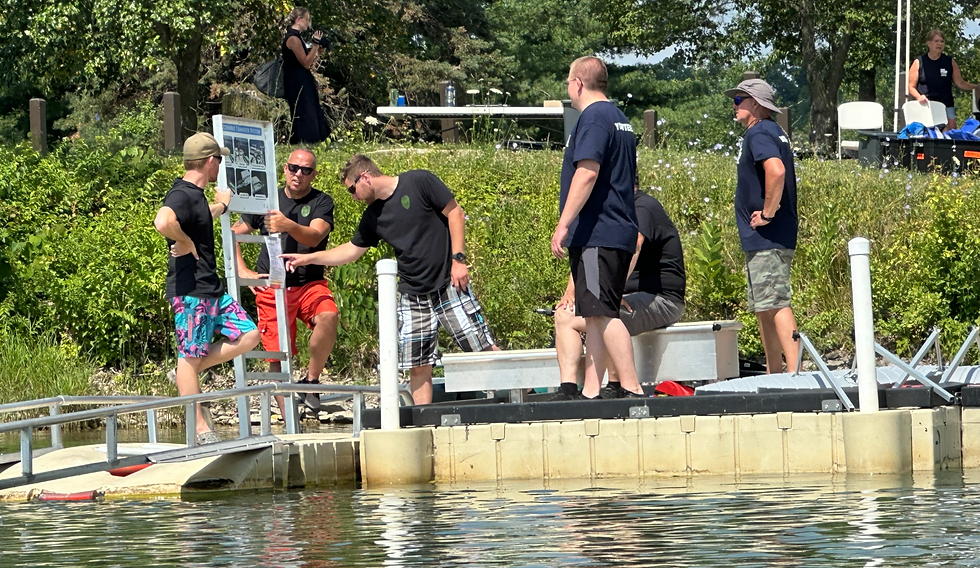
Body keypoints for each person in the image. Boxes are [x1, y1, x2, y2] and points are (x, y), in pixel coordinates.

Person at [280, 154, 498, 404]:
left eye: (352, 189)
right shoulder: (373, 216)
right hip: (412, 293)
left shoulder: (419, 181)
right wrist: (308, 258)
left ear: (366, 178)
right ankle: (423, 422)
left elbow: (455, 213)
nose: (353, 197)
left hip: (447, 282)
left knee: (481, 347)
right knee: (418, 364)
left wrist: (458, 260)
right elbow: (351, 251)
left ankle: (521, 396)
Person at [153, 133, 260, 445]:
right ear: (211, 162)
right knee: (188, 355)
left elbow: (200, 217)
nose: (220, 166)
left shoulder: (196, 196)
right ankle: (200, 428)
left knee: (249, 335)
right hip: (190, 291)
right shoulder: (182, 194)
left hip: (211, 288)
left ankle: (187, 372)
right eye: (220, 160)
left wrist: (222, 206)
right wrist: (183, 241)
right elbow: (163, 221)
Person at [549, 56, 643, 400]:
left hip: (597, 234)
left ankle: (631, 387)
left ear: (577, 84)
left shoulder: (592, 118)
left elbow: (586, 172)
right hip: (617, 231)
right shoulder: (620, 119)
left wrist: (563, 224)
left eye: (567, 84)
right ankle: (591, 390)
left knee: (602, 314)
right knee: (594, 315)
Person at [232, 148, 338, 415]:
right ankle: (288, 416)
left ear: (314, 174)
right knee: (278, 355)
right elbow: (233, 233)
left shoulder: (321, 201)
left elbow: (315, 236)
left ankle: (311, 382)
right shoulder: (269, 199)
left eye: (306, 170)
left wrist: (287, 224)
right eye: (294, 168)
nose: (298, 175)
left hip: (308, 282)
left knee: (329, 315)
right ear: (284, 169)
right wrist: (242, 270)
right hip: (273, 284)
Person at [554, 185, 686, 398]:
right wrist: (570, 292)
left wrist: (613, 293)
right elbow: (587, 255)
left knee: (605, 316)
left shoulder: (642, 207)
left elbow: (635, 245)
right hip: (623, 296)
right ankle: (568, 389)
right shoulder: (608, 213)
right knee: (564, 315)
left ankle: (621, 386)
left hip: (662, 298)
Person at [725, 79, 799, 374]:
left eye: (739, 99)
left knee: (777, 303)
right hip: (765, 238)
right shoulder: (774, 132)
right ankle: (774, 372)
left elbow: (776, 170)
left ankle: (794, 375)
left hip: (768, 234)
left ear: (755, 104)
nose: (734, 105)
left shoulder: (759, 133)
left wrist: (767, 213)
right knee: (764, 305)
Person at [908, 29, 978, 131]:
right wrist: (919, 97)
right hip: (926, 105)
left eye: (942, 41)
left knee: (951, 132)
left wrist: (976, 87)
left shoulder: (949, 61)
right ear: (928, 43)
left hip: (946, 105)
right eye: (936, 41)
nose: (939, 44)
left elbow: (960, 83)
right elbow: (911, 86)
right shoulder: (919, 62)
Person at [282, 6, 330, 144]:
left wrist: (318, 51)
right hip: (296, 80)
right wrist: (315, 45)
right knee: (304, 110)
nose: (308, 24)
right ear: (299, 19)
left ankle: (316, 138)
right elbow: (305, 63)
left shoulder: (298, 38)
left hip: (302, 78)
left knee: (311, 107)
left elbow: (309, 61)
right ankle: (305, 139)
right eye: (307, 20)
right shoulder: (292, 38)